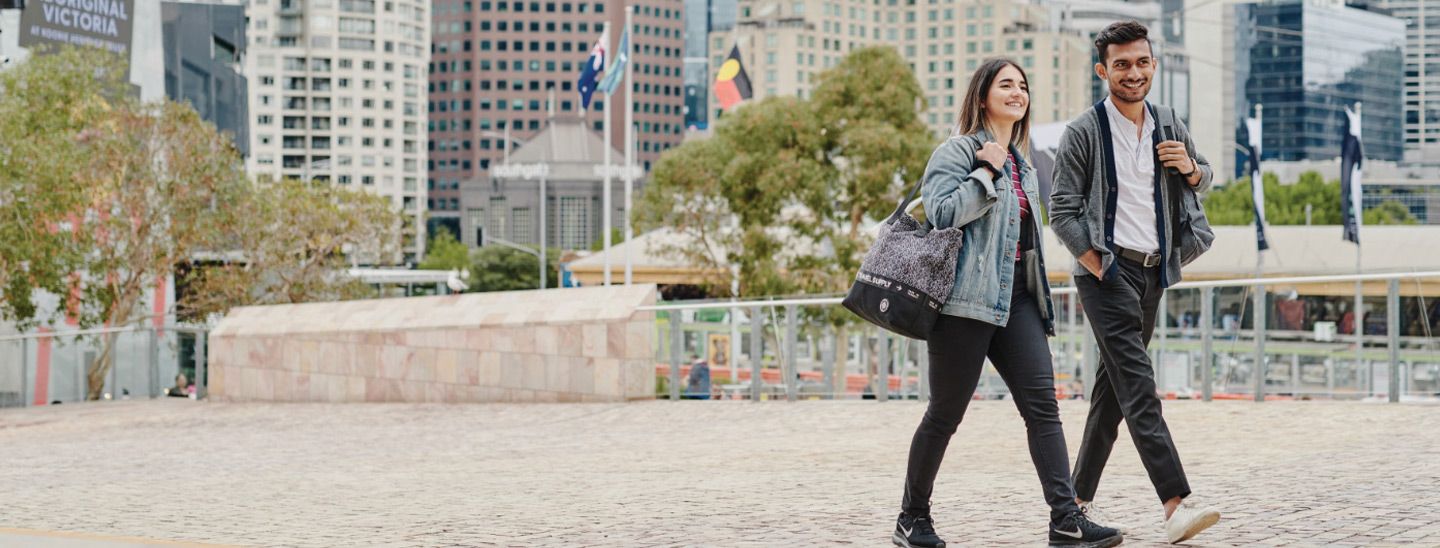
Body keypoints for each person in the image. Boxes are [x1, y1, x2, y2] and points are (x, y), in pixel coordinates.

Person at [894, 58, 1122, 548]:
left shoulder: (1024, 164)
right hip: (964, 304)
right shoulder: (957, 151)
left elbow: (1028, 241)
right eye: (1006, 85)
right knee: (945, 414)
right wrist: (983, 170)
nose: (1018, 92)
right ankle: (912, 517)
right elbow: (942, 214)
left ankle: (1066, 518)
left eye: (1023, 85)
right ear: (982, 96)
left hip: (1018, 300)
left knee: (1043, 408)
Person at [1049, 20, 1221, 544]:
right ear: (1103, 70)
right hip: (1107, 272)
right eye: (1121, 64)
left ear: (1154, 65)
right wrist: (1095, 262)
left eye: (1142, 62)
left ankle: (1072, 507)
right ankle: (1175, 503)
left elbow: (1207, 176)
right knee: (1140, 387)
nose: (1133, 72)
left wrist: (1190, 167)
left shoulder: (1170, 122)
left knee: (1113, 391)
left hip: (1156, 271)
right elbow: (1061, 208)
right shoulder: (1084, 131)